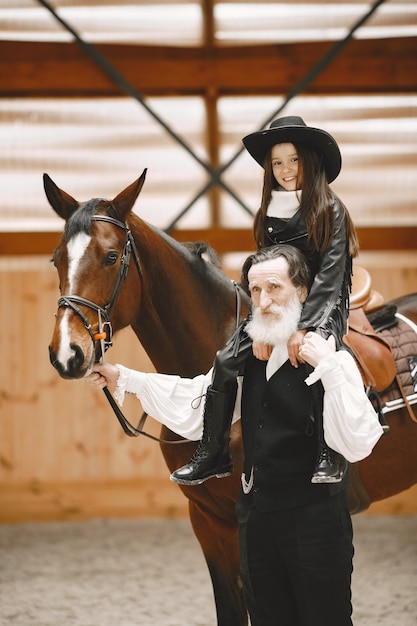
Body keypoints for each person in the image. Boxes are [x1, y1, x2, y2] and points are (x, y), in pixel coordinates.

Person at [86, 245, 383, 626]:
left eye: (275, 288)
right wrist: (123, 378)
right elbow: (198, 399)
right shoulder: (246, 358)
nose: (263, 300)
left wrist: (327, 367)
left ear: (304, 293)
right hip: (256, 522)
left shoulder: (333, 360)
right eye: (255, 290)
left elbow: (359, 441)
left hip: (315, 524)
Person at [169, 114, 360, 487]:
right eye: (277, 162)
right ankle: (214, 450)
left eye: (293, 160)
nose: (285, 170)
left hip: (322, 303)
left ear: (309, 160)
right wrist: (262, 324)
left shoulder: (331, 210)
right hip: (275, 304)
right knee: (225, 361)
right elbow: (261, 273)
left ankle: (330, 451)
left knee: (320, 360)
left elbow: (330, 276)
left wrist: (303, 328)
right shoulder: (267, 213)